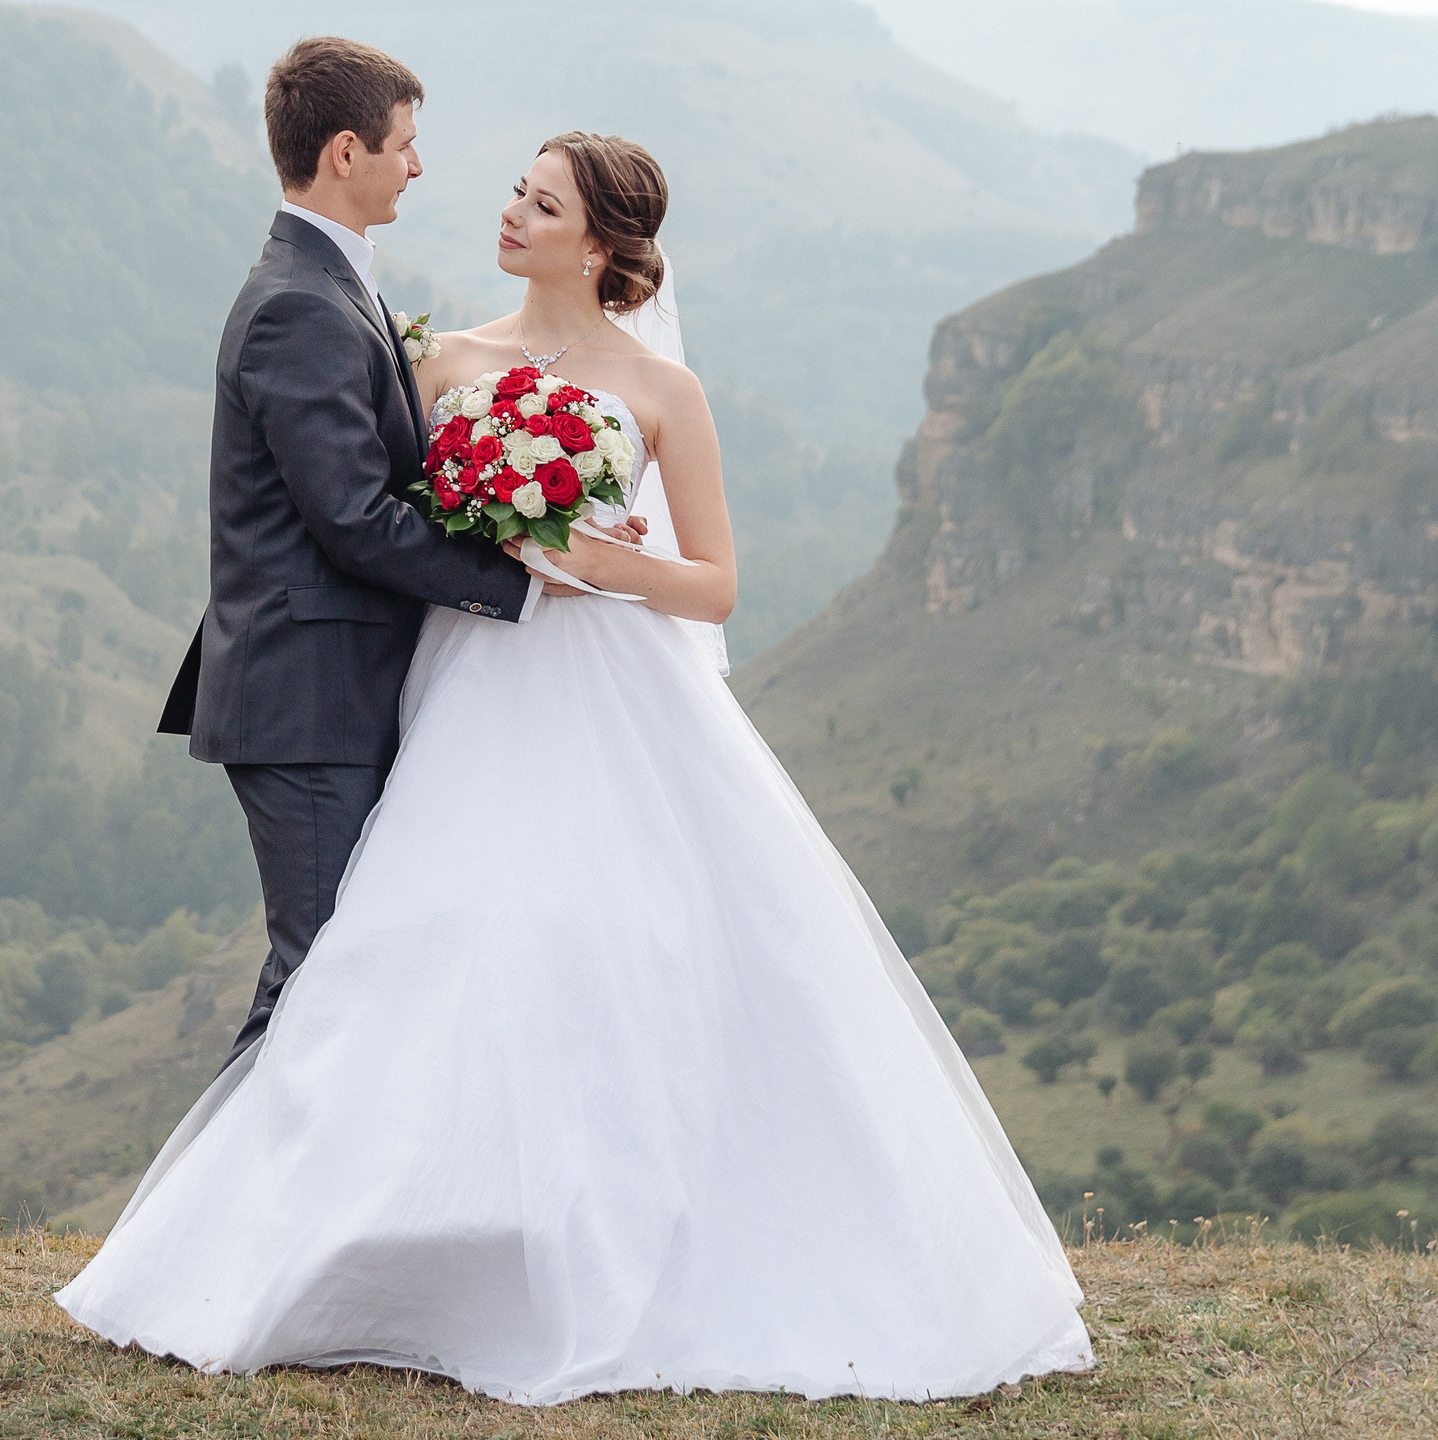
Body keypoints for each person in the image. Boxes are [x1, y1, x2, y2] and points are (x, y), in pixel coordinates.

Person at [67, 72, 1096, 1402]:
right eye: (509, 185)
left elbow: (714, 583)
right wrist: (508, 564)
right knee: (419, 951)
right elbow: (373, 511)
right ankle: (378, 1243)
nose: (503, 205)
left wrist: (588, 562)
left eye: (537, 200)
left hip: (601, 680)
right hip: (452, 684)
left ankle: (595, 1237)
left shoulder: (661, 392)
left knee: (619, 947)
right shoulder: (442, 360)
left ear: (604, 242)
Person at [156, 36, 599, 1070]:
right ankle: (218, 1219)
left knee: (339, 971)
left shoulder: (326, 283)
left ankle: (253, 1220)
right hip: (305, 696)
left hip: (337, 686)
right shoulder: (298, 308)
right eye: (406, 144)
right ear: (346, 152)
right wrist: (520, 582)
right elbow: (352, 517)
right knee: (320, 979)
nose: (418, 165)